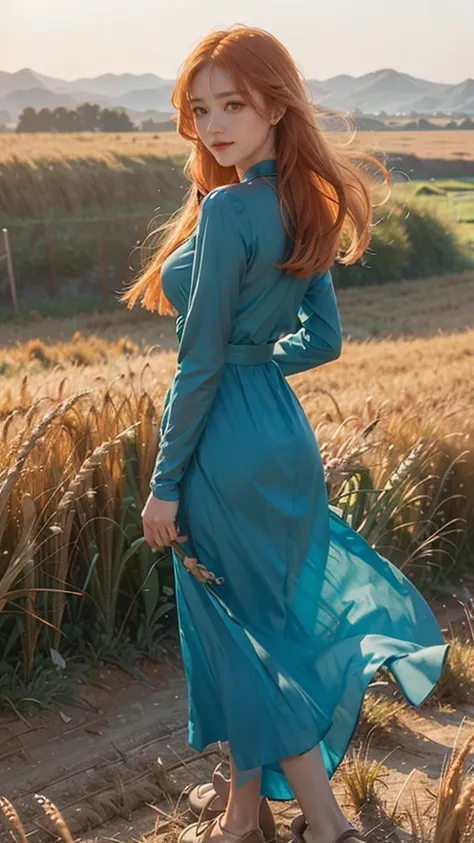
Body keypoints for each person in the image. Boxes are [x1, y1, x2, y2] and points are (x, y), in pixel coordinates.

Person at [121, 25, 449, 843]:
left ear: (276, 103)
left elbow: (196, 367)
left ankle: (331, 826)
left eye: (234, 102)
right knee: (257, 625)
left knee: (249, 638)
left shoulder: (231, 209)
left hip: (222, 446)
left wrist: (165, 482)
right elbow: (327, 338)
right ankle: (241, 816)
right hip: (280, 435)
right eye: (199, 109)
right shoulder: (306, 205)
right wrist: (260, 364)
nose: (215, 123)